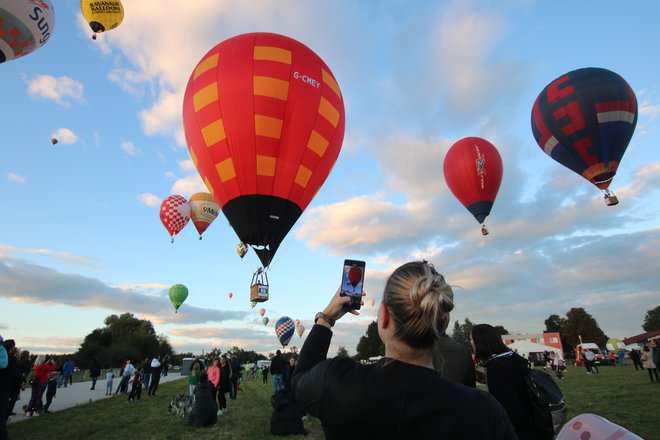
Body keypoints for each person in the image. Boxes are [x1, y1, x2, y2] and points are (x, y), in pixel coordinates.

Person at [292, 261, 516, 439]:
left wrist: (326, 317)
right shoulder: (483, 411)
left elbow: (299, 380)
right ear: (443, 322)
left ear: (385, 317)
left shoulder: (338, 382)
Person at [471, 323, 552, 439]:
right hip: (537, 423)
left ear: (480, 341)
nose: (471, 343)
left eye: (471, 339)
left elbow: (509, 408)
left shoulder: (495, 368)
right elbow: (515, 384)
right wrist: (486, 380)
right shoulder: (513, 359)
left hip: (519, 432)